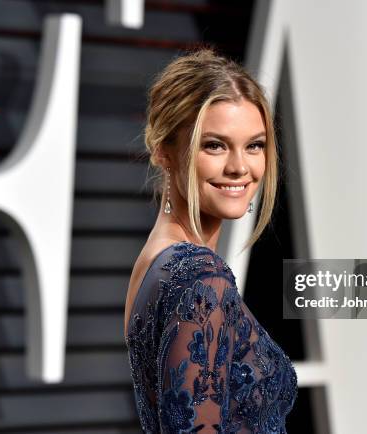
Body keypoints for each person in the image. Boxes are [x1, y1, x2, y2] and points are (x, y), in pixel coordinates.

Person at [124, 47, 298, 433]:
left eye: (254, 145)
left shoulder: (157, 262)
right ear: (163, 151)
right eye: (214, 145)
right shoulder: (201, 278)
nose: (239, 167)